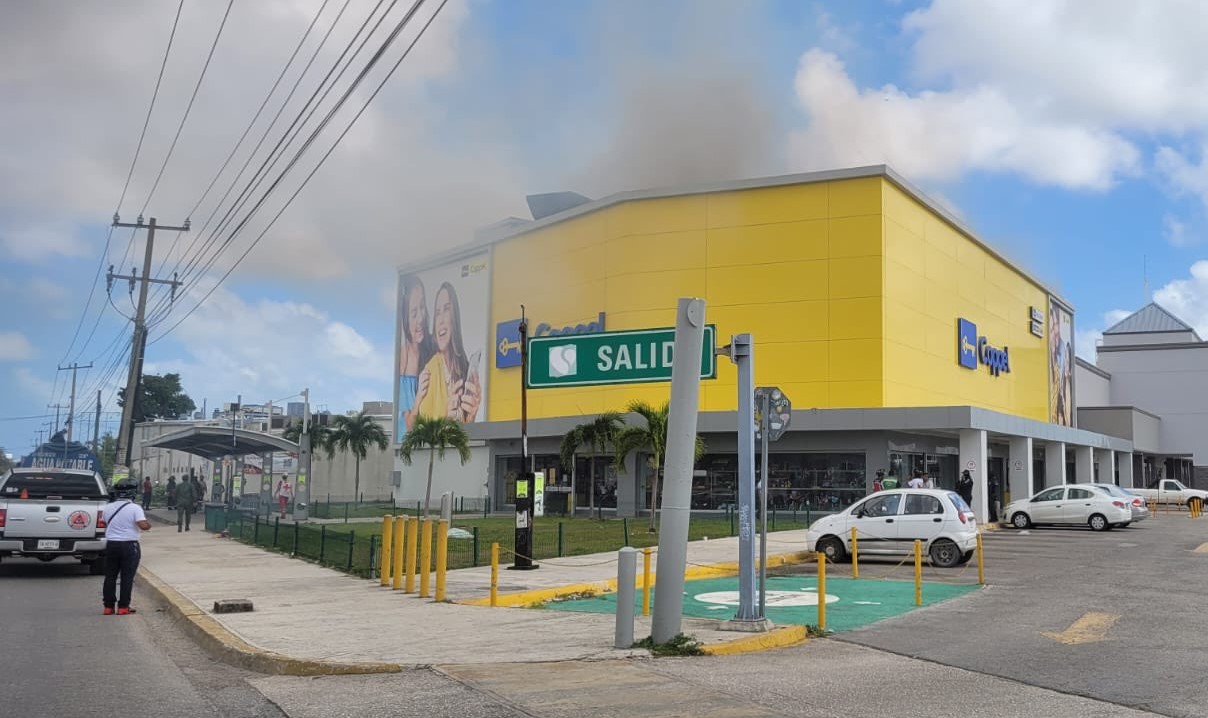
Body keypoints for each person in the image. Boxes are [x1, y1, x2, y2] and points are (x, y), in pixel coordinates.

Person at [414, 282, 481, 425]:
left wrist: (470, 418)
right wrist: (446, 418)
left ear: (454, 318)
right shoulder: (429, 371)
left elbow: (464, 435)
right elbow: (424, 435)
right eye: (437, 313)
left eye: (446, 310)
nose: (441, 321)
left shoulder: (464, 369)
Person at [102, 483, 152, 615]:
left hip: (111, 544)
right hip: (129, 545)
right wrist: (148, 524)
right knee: (127, 577)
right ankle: (123, 607)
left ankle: (108, 607)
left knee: (110, 576)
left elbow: (104, 522)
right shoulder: (135, 508)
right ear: (132, 494)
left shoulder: (107, 507)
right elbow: (143, 525)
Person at [398, 275, 436, 437]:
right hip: (409, 446)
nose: (420, 318)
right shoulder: (402, 360)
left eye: (422, 308)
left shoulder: (433, 350)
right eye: (414, 313)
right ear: (405, 318)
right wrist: (420, 395)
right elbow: (409, 427)